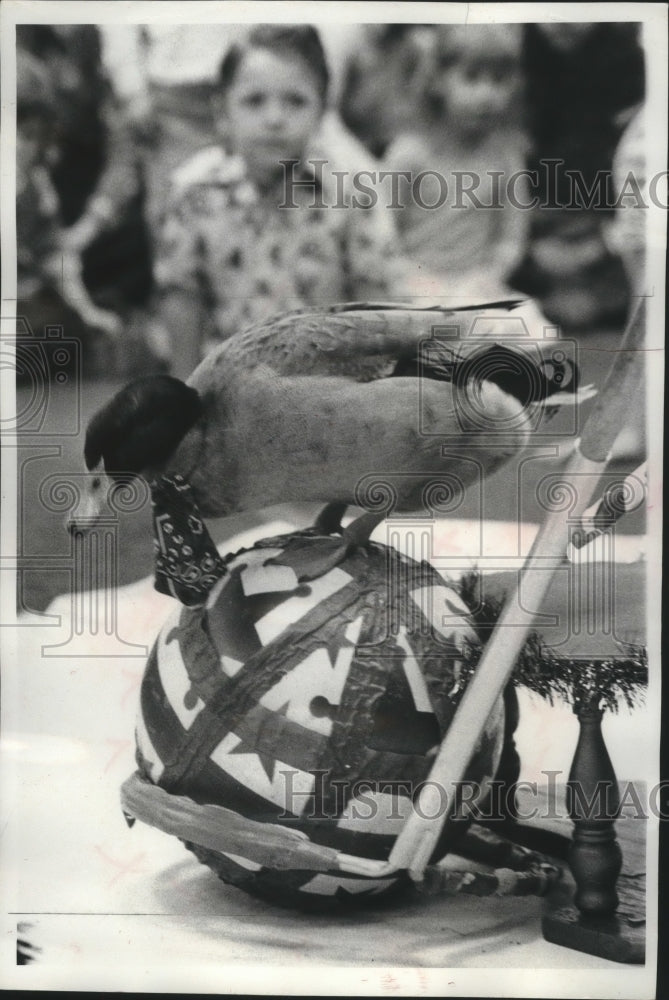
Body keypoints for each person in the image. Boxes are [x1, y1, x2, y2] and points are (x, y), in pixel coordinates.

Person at [152, 24, 399, 378]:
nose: (274, 119)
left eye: (295, 102)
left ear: (321, 111)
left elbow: (375, 295)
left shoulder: (351, 190)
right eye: (254, 101)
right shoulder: (194, 190)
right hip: (228, 386)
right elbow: (182, 298)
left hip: (327, 389)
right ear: (222, 110)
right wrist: (183, 399)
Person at [384, 24, 534, 310]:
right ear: (438, 80)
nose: (486, 94)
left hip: (476, 285)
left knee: (525, 324)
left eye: (499, 80)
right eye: (471, 78)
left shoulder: (506, 156)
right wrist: (413, 279)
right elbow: (384, 233)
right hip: (413, 285)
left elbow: (511, 236)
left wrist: (488, 276)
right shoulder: (409, 153)